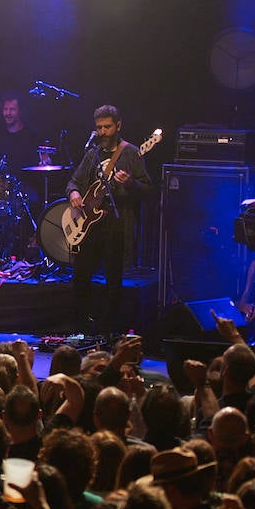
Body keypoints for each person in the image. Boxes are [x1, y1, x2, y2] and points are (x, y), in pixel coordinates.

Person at [64, 104, 154, 335]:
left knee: (113, 280)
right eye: (99, 127)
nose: (102, 132)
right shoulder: (92, 154)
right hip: (89, 227)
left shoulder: (131, 153)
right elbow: (74, 181)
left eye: (107, 127)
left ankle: (108, 331)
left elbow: (148, 190)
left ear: (118, 126)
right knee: (81, 277)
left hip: (116, 225)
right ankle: (81, 329)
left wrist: (130, 183)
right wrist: (73, 192)